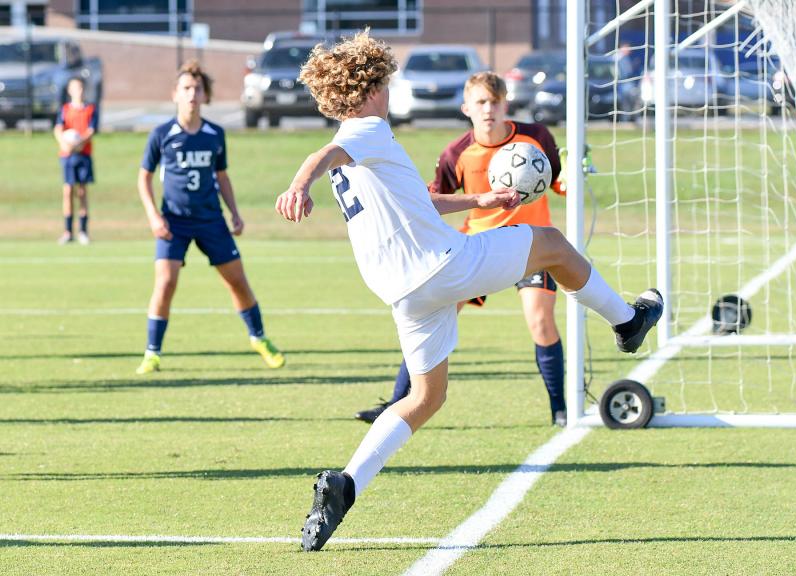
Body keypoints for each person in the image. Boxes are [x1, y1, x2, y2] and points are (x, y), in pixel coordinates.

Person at [275, 31, 662, 552]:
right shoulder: (366, 131)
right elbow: (325, 153)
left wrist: (479, 198)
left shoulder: (367, 146)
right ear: (369, 89)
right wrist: (299, 183)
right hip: (439, 267)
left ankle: (346, 486)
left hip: (404, 292)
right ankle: (626, 321)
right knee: (550, 242)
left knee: (426, 397)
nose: (389, 94)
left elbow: (422, 202)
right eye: (385, 84)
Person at [354, 71, 568, 428]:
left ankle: (560, 410)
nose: (489, 110)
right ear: (466, 107)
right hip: (477, 248)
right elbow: (436, 197)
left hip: (533, 244)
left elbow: (556, 180)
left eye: (495, 102)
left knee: (541, 322)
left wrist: (570, 181)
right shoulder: (456, 152)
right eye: (481, 102)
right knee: (434, 314)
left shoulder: (537, 137)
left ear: (506, 105)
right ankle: (395, 403)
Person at [135, 60, 285, 375]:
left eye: (197, 89)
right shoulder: (162, 134)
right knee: (165, 282)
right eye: (186, 88)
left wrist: (235, 213)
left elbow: (222, 176)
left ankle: (258, 338)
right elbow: (143, 178)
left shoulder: (214, 134)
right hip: (173, 222)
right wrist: (153, 216)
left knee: (237, 282)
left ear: (205, 95)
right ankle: (152, 353)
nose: (192, 94)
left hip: (211, 221)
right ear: (175, 93)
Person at [53, 77, 98, 245]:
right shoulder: (65, 110)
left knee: (82, 192)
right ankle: (67, 231)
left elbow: (91, 130)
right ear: (70, 91)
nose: (78, 91)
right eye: (75, 88)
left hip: (83, 154)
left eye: (80, 88)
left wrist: (78, 144)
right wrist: (65, 144)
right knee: (67, 191)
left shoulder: (90, 109)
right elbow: (58, 129)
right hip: (67, 155)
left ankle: (83, 231)